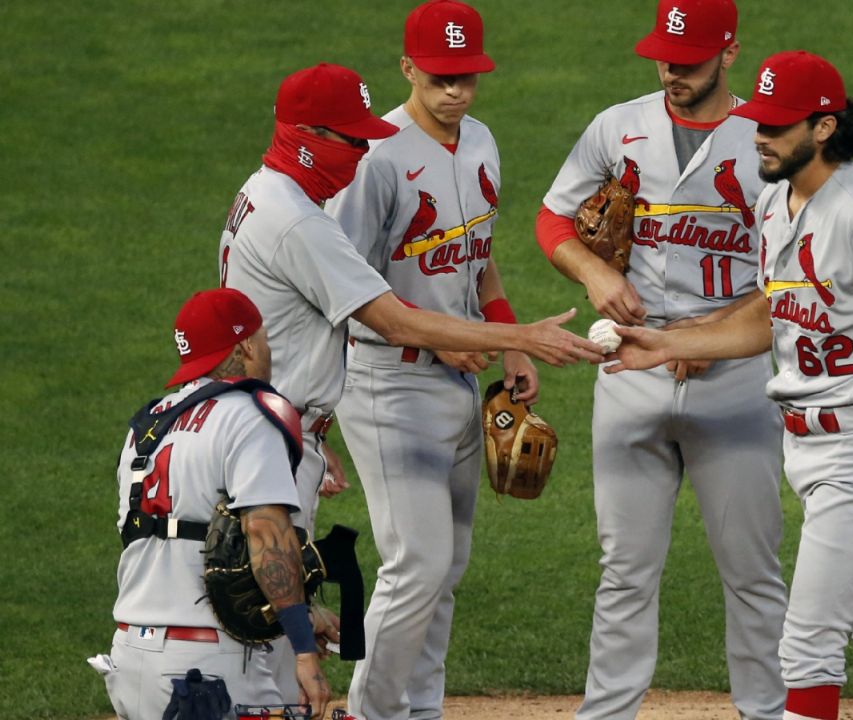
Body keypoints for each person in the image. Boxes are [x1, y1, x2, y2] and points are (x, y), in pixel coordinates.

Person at [218, 60, 603, 700]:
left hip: (280, 428)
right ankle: (372, 714)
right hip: (308, 421)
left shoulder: (264, 194)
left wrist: (305, 431)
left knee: (431, 571)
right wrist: (521, 336)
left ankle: (413, 712)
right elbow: (391, 321)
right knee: (279, 640)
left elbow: (257, 335)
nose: (365, 150)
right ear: (309, 136)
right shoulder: (298, 221)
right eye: (350, 138)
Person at [608, 51, 853, 720]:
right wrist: (670, 343)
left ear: (824, 128)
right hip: (805, 444)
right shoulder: (774, 199)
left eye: (775, 126)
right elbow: (773, 312)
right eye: (756, 122)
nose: (758, 137)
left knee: (805, 647)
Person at [533, 1, 788, 717]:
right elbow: (553, 216)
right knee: (624, 571)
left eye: (689, 59)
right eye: (664, 57)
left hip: (735, 380)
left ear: (729, 53)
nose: (671, 70)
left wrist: (713, 336)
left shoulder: (766, 141)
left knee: (752, 570)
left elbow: (793, 272)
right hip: (629, 375)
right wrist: (595, 273)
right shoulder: (618, 126)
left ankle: (767, 712)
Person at [321, 2, 527, 718]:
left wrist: (504, 337)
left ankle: (420, 709)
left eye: (467, 76)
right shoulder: (376, 158)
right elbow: (343, 281)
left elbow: (478, 255)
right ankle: (368, 712)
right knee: (418, 566)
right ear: (408, 68)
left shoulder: (482, 141)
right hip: (387, 379)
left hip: (460, 377)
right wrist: (446, 337)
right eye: (441, 77)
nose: (456, 91)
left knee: (447, 567)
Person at [93, 288, 333, 719]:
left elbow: (175, 544)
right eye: (263, 339)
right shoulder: (250, 415)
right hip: (207, 670)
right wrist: (301, 649)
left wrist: (302, 613)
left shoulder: (145, 428)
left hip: (129, 654)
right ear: (244, 345)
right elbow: (265, 535)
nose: (267, 349)